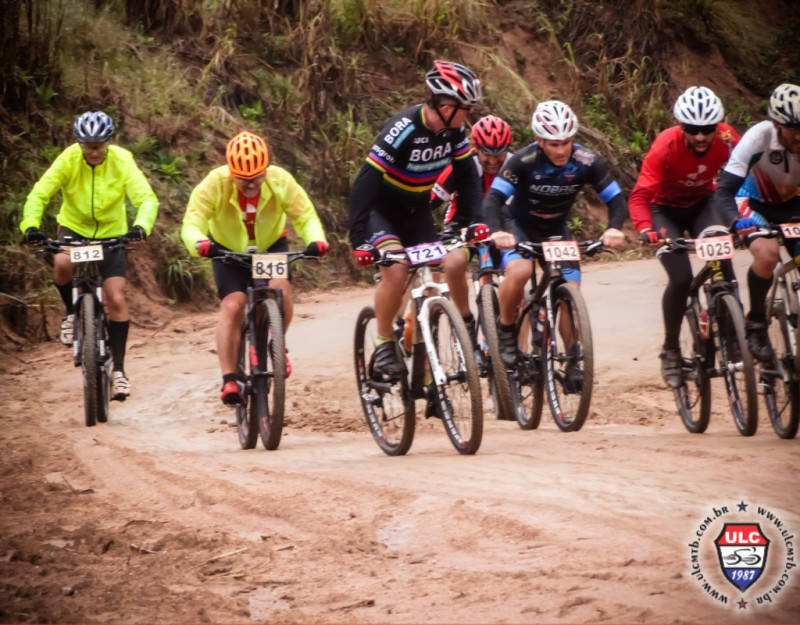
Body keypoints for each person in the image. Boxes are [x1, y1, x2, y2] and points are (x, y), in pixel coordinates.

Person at [349, 60, 489, 381]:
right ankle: (384, 341)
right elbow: (366, 181)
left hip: (417, 211)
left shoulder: (455, 132)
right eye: (464, 107)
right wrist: (359, 238)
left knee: (437, 286)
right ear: (444, 104)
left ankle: (427, 370)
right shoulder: (404, 127)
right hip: (381, 211)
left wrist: (473, 220)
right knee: (396, 272)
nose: (468, 113)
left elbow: (467, 175)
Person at [181, 130, 328, 405]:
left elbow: (305, 215)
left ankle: (276, 343)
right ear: (230, 171)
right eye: (243, 180)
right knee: (232, 307)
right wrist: (199, 243)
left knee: (280, 289)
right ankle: (228, 381)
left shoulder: (280, 180)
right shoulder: (214, 183)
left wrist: (316, 240)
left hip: (270, 247)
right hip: (228, 250)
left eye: (257, 178)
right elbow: (192, 222)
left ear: (265, 170)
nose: (251, 185)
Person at [20, 111, 159, 400]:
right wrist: (31, 225)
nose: (94, 151)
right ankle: (71, 314)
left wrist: (140, 227)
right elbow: (39, 194)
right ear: (79, 143)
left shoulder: (122, 160)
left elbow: (145, 198)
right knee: (61, 262)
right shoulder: (67, 159)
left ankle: (119, 371)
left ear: (108, 142)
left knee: (116, 298)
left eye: (99, 145)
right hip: (74, 229)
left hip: (112, 234)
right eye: (88, 145)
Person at [484, 100, 627, 375]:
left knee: (570, 288)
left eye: (566, 142)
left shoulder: (586, 160)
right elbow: (494, 198)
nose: (561, 150)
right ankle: (505, 332)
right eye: (553, 144)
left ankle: (573, 358)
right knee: (520, 269)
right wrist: (497, 232)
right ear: (539, 140)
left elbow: (615, 198)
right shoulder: (522, 161)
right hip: (519, 226)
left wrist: (613, 227)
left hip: (555, 229)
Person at [630, 86, 740, 387]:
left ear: (717, 126)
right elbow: (640, 195)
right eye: (693, 130)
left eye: (707, 129)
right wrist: (644, 228)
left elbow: (745, 176)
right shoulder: (665, 146)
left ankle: (735, 337)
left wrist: (741, 216)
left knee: (722, 263)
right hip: (664, 211)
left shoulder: (729, 139)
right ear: (682, 127)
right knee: (680, 279)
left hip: (704, 204)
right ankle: (671, 348)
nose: (701, 137)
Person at [716, 83, 800, 362]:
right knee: (767, 254)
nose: (799, 136)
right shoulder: (758, 138)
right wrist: (735, 221)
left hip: (793, 205)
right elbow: (725, 190)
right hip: (753, 203)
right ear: (777, 125)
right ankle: (757, 325)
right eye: (793, 130)